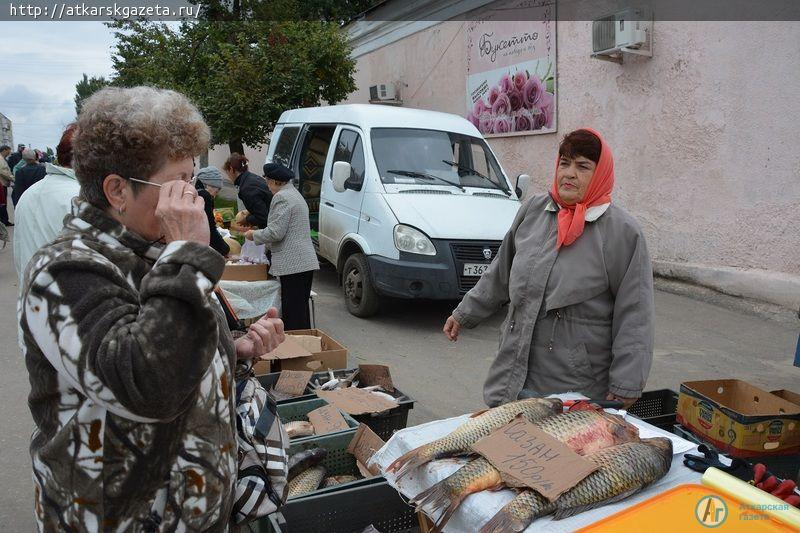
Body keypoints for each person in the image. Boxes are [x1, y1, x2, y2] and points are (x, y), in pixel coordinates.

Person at [19, 86, 286, 531]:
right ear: (117, 190)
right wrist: (185, 251)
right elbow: (145, 385)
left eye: (193, 180)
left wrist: (231, 350)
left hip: (190, 507)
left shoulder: (152, 251)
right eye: (178, 184)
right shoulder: (65, 271)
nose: (194, 199)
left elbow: (171, 343)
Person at [443, 128, 654, 408]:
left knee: (556, 452)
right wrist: (465, 312)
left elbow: (635, 316)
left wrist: (626, 383)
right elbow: (500, 272)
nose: (569, 173)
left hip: (573, 389)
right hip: (512, 376)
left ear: (601, 173)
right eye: (564, 163)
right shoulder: (533, 211)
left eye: (582, 166)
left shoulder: (622, 233)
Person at [245, 163, 319, 330]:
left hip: (293, 264)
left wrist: (253, 235)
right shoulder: (294, 194)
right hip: (303, 263)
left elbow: (276, 232)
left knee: (293, 312)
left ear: (274, 181)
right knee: (299, 310)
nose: (267, 185)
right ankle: (304, 345)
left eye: (267, 181)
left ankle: (296, 347)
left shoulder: (282, 197)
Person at [13, 124, 80, 286]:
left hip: (32, 300)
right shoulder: (80, 198)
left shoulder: (28, 195)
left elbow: (19, 254)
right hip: (67, 303)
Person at [223, 152, 272, 228]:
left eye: (227, 173)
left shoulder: (247, 188)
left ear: (232, 169)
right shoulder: (251, 178)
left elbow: (263, 217)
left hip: (272, 225)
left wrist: (247, 220)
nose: (229, 177)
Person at [195, 165, 230, 256]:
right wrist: (224, 248)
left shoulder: (195, 193)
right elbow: (209, 226)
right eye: (217, 191)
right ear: (208, 185)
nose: (215, 195)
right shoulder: (204, 195)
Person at [0, 145, 13, 225]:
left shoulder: (3, 159)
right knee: (3, 203)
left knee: (3, 203)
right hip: (1, 184)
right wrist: (12, 178)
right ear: (4, 150)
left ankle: (4, 220)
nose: (9, 153)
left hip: (3, 183)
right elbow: (2, 171)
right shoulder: (0, 160)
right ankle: (4, 221)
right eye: (9, 150)